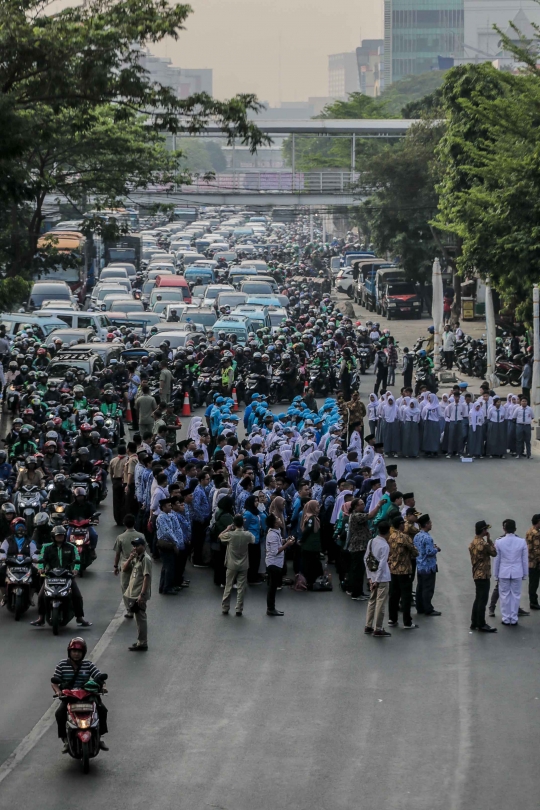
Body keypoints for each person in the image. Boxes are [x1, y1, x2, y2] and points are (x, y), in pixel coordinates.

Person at [51, 637, 108, 753]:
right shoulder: (62, 665)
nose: (76, 654)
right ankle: (65, 740)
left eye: (79, 652)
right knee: (59, 713)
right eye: (74, 651)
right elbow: (54, 682)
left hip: (87, 695)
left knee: (102, 710)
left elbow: (99, 677)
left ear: (83, 653)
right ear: (69, 652)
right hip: (69, 696)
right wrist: (58, 691)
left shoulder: (88, 664)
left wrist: (103, 687)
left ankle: (100, 737)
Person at [31, 525, 92, 627]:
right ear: (53, 536)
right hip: (50, 576)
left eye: (62, 535)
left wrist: (75, 570)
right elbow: (41, 559)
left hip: (67, 576)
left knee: (77, 596)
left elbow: (77, 560)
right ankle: (41, 618)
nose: (60, 537)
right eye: (58, 535)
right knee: (41, 595)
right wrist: (40, 567)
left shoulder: (71, 547)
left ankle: (80, 618)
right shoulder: (46, 547)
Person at [493, 519, 528, 626]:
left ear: (504, 529)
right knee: (516, 595)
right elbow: (524, 560)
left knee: (504, 595)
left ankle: (506, 618)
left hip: (503, 572)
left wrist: (496, 574)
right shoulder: (522, 541)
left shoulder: (499, 542)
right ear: (515, 529)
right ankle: (513, 618)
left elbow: (497, 560)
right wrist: (525, 574)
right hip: (517, 571)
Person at [220, 515, 255, 616]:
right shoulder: (247, 534)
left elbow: (220, 536)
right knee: (241, 587)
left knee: (228, 585)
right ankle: (239, 608)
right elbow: (253, 540)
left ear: (234, 524)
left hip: (231, 564)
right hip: (244, 564)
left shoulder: (230, 535)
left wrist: (227, 529)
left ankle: (225, 607)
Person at [387, 515, 419, 630]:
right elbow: (415, 552)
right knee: (405, 596)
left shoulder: (391, 537)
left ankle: (392, 619)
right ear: (400, 525)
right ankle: (407, 622)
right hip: (404, 570)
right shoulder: (405, 537)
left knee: (393, 596)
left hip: (393, 570)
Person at [113, 514, 146, 619]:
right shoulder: (141, 536)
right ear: (134, 523)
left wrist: (115, 566)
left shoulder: (120, 537)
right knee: (138, 585)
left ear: (124, 524)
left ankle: (129, 609)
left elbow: (117, 554)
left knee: (125, 587)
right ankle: (139, 605)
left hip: (126, 564)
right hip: (138, 563)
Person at [124, 534, 152, 650]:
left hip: (139, 594)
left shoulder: (145, 559)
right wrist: (130, 558)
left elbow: (147, 577)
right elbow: (125, 569)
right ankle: (140, 641)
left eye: (137, 545)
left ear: (143, 546)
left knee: (141, 618)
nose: (135, 548)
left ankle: (143, 643)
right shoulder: (137, 557)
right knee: (138, 618)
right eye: (134, 546)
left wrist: (142, 594)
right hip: (133, 593)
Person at [364, 521, 392, 638]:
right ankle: (378, 628)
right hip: (382, 578)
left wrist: (370, 577)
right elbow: (382, 563)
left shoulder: (371, 542)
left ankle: (368, 625)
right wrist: (377, 580)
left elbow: (366, 559)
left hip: (372, 576)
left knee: (372, 601)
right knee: (381, 603)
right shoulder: (385, 546)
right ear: (388, 531)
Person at [469, 520, 498, 632]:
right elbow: (494, 553)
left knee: (478, 598)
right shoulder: (484, 544)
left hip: (476, 573)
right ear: (483, 530)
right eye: (486, 529)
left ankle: (474, 621)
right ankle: (481, 623)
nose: (487, 531)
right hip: (484, 575)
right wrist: (489, 540)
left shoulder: (472, 543)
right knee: (483, 600)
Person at [265, 513, 295, 616]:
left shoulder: (275, 532)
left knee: (273, 587)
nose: (279, 519)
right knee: (272, 587)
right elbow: (275, 551)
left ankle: (271, 608)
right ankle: (270, 608)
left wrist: (285, 540)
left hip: (277, 563)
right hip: (273, 563)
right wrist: (287, 544)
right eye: (277, 518)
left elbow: (278, 542)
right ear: (274, 523)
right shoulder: (272, 534)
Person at [414, 514, 441, 616]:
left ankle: (420, 607)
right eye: (430, 523)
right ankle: (428, 608)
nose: (431, 524)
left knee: (420, 587)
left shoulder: (417, 536)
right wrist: (436, 549)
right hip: (428, 566)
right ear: (426, 524)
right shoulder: (428, 538)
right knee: (428, 588)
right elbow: (429, 552)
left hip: (420, 565)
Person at [299, 500, 323, 588]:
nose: (318, 508)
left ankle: (311, 581)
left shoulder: (315, 517)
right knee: (310, 564)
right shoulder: (311, 518)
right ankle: (309, 581)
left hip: (313, 545)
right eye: (317, 507)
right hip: (310, 546)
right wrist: (301, 541)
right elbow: (307, 531)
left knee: (311, 563)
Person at [525, 514, 540, 610]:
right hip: (536, 563)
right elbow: (538, 550)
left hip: (530, 561)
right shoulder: (537, 534)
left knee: (532, 583)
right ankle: (534, 602)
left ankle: (533, 601)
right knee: (534, 584)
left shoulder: (529, 531)